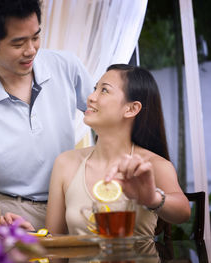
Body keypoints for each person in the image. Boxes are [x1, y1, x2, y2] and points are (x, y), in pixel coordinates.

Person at [0, 0, 95, 230]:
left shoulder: (67, 66)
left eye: (35, 37)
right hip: (12, 213)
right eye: (18, 43)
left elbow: (108, 117)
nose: (31, 50)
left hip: (73, 205)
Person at [45, 64, 191, 236]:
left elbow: (183, 212)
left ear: (131, 109)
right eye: (95, 89)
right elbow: (53, 242)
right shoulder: (65, 163)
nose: (91, 97)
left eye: (104, 90)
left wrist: (152, 199)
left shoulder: (152, 166)